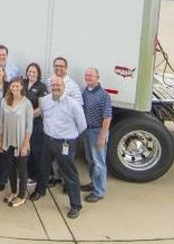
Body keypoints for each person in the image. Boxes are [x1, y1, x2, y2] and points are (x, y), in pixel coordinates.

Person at [29, 76, 87, 219]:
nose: (55, 87)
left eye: (58, 85)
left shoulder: (73, 104)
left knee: (69, 174)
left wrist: (68, 135)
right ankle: (40, 191)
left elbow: (82, 125)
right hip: (48, 140)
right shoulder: (46, 101)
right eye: (53, 85)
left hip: (65, 143)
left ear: (63, 86)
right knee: (43, 168)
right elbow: (43, 115)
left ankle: (75, 205)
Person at [0, 78, 34, 207]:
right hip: (8, 142)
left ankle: (22, 195)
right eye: (12, 86)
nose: (14, 88)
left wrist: (25, 145)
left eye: (17, 86)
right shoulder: (4, 101)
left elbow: (29, 127)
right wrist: (0, 140)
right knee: (10, 169)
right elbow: (1, 122)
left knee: (22, 171)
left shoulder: (27, 103)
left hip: (21, 143)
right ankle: (14, 192)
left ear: (21, 87)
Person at [80, 67, 112, 203]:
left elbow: (107, 117)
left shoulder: (104, 95)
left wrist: (102, 136)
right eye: (86, 75)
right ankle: (93, 183)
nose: (88, 77)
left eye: (91, 76)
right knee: (91, 160)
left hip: (97, 131)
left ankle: (99, 192)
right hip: (87, 131)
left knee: (99, 163)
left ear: (98, 78)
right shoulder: (86, 92)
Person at [24, 63, 49, 181]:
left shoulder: (41, 87)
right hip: (22, 124)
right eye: (29, 71)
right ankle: (26, 173)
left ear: (38, 74)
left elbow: (41, 108)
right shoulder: (23, 83)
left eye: (34, 72)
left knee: (35, 150)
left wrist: (28, 116)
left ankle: (34, 176)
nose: (31, 74)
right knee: (24, 148)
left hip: (36, 124)